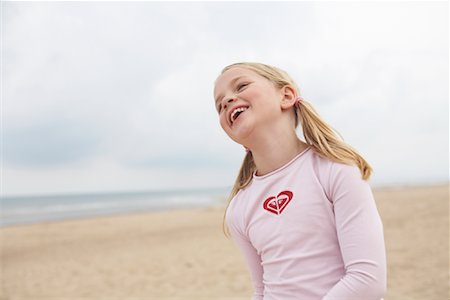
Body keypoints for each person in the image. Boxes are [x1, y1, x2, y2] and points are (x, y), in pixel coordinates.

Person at [213, 62, 387, 300]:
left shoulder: (336, 170)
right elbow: (261, 290)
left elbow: (367, 281)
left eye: (241, 86)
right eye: (219, 104)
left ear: (286, 95)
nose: (227, 101)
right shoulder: (239, 208)